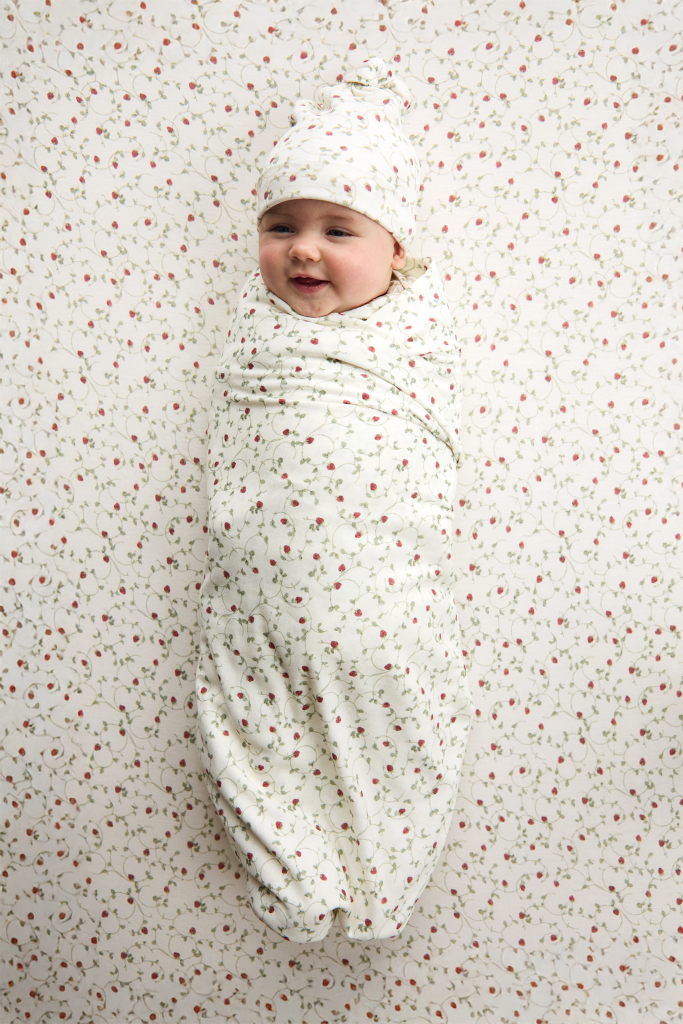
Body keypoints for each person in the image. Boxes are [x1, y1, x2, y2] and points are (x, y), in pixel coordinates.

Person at [195, 58, 472, 943]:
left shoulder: (411, 335)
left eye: (337, 229)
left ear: (397, 253)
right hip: (257, 601)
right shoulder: (256, 334)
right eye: (281, 226)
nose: (302, 249)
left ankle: (384, 883)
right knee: (251, 736)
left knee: (394, 731)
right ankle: (295, 881)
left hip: (377, 599)